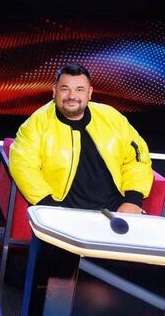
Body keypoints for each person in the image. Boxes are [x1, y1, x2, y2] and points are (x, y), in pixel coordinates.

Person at [9, 63, 153, 214]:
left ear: (89, 93)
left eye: (80, 89)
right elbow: (23, 166)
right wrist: (48, 206)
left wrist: (132, 200)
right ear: (54, 91)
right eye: (65, 89)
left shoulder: (112, 118)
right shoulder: (35, 124)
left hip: (115, 211)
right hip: (61, 211)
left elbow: (137, 158)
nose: (72, 96)